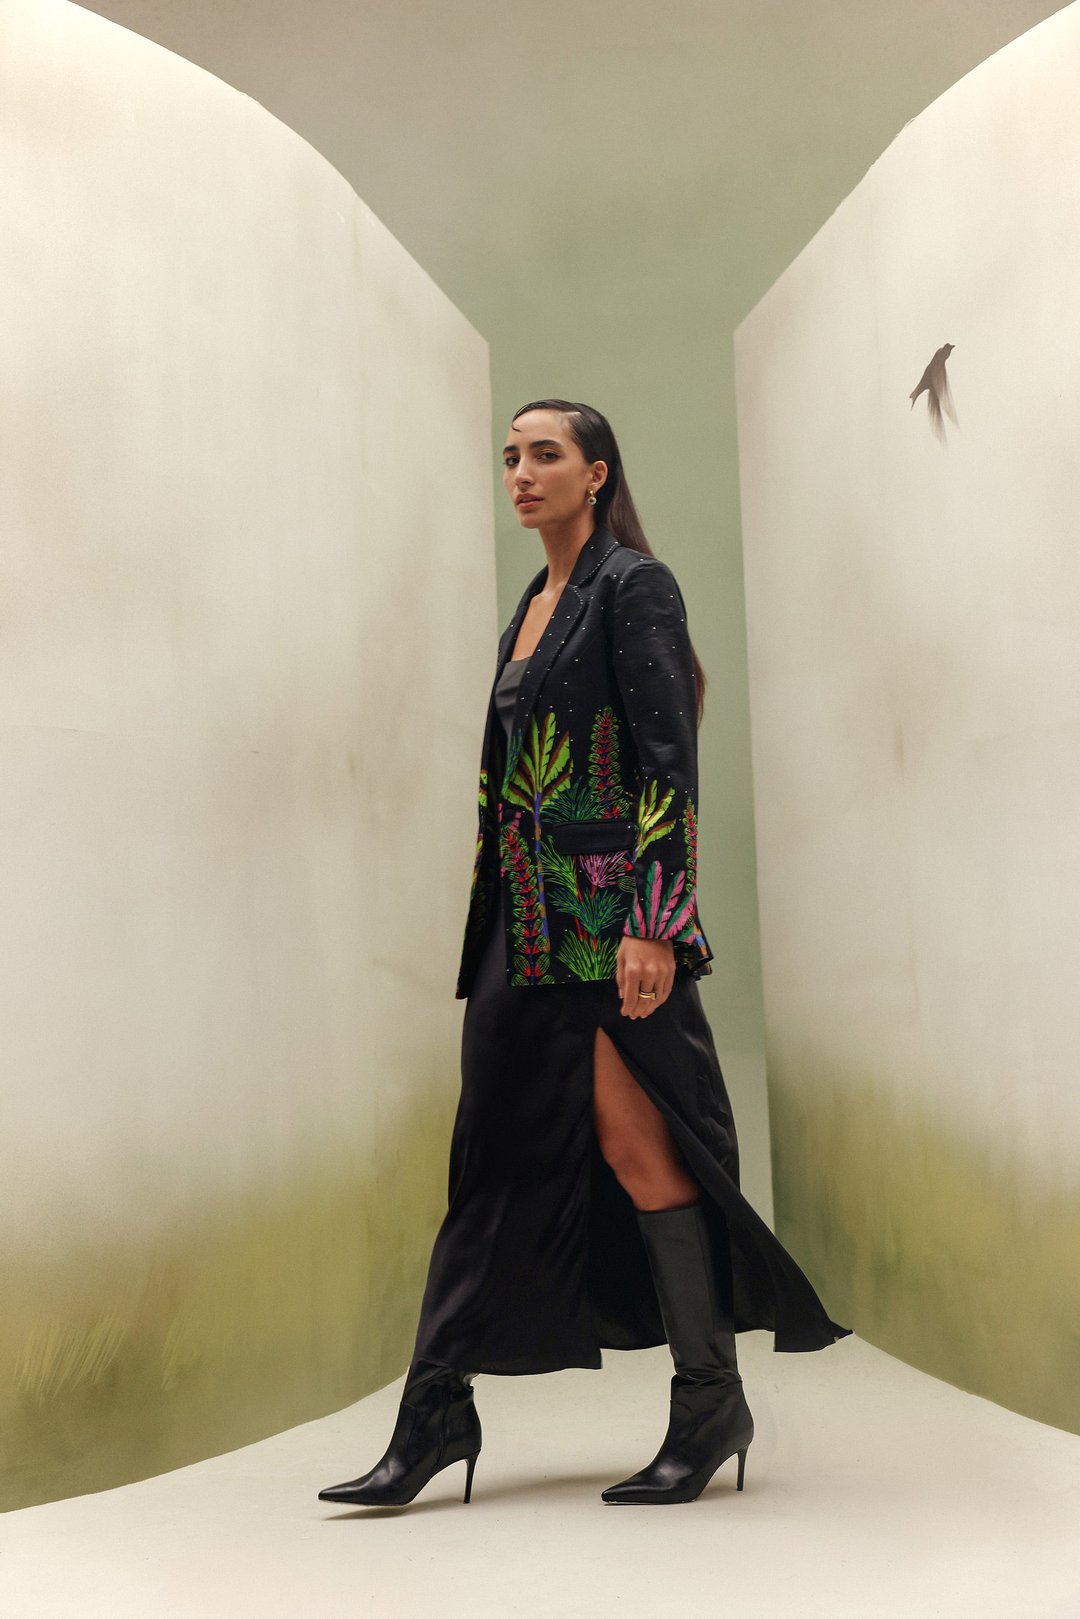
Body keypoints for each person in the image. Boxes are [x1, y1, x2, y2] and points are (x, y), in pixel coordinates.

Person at [318, 398, 850, 1510]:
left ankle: (709, 1402)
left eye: (545, 454)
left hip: (606, 925)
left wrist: (654, 919)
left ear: (596, 473)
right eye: (511, 455)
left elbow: (667, 759)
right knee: (486, 1154)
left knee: (641, 1150)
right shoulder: (531, 603)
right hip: (518, 925)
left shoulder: (632, 586)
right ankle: (436, 1412)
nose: (521, 472)